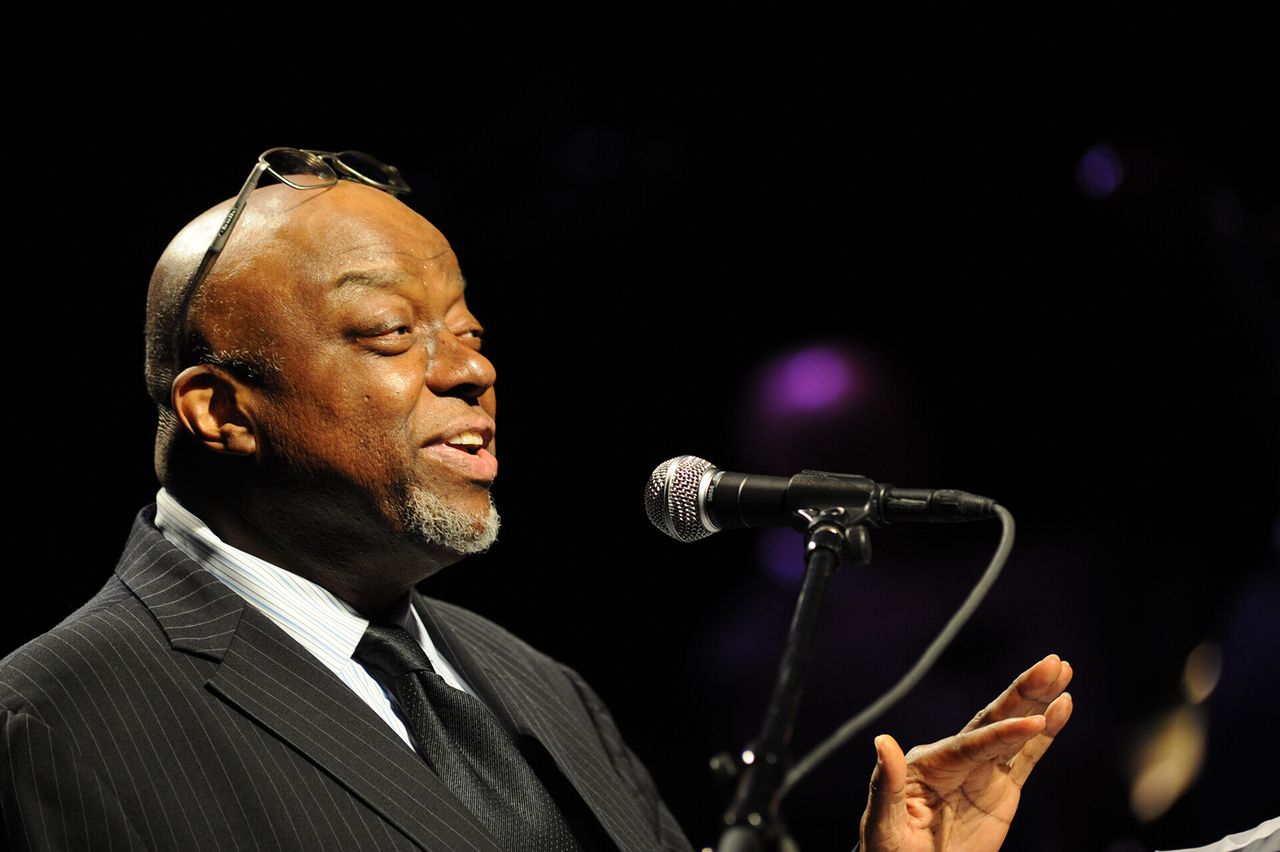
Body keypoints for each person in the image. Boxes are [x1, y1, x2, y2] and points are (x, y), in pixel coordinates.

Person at [0, 149, 1072, 851]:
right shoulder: (53, 721)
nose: (471, 372)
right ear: (220, 412)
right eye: (389, 334)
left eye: (470, 334)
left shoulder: (531, 688)